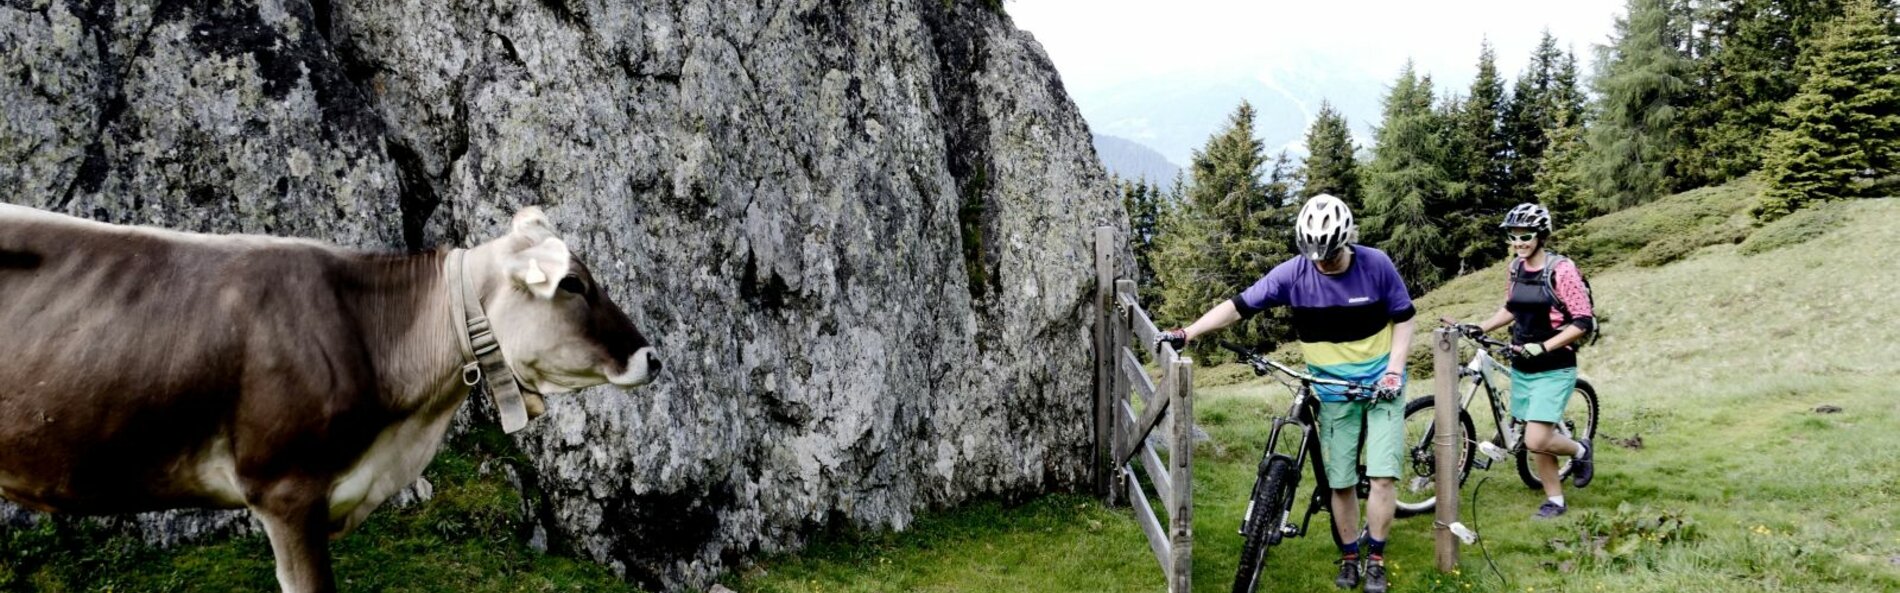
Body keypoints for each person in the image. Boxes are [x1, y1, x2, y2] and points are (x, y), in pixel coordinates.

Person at [1158, 194, 1414, 593]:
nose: (1322, 264)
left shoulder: (1376, 265)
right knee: (1341, 483)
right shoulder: (1294, 273)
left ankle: (1376, 558)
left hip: (1382, 387)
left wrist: (1394, 372)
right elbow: (1238, 305)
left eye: (1329, 256)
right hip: (1331, 392)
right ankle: (1349, 557)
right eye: (1314, 256)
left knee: (1382, 477)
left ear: (1346, 241)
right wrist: (1187, 332)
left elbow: (1404, 319)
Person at [1451, 202, 1596, 520]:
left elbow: (1582, 321)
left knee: (1536, 438)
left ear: (1541, 236)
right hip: (1522, 366)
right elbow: (1512, 307)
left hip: (1555, 366)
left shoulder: (1561, 270)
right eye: (1513, 237)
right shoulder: (1515, 268)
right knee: (1535, 440)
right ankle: (1555, 501)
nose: (1518, 243)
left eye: (1525, 236)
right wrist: (1482, 326)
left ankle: (1581, 450)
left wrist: (1544, 346)